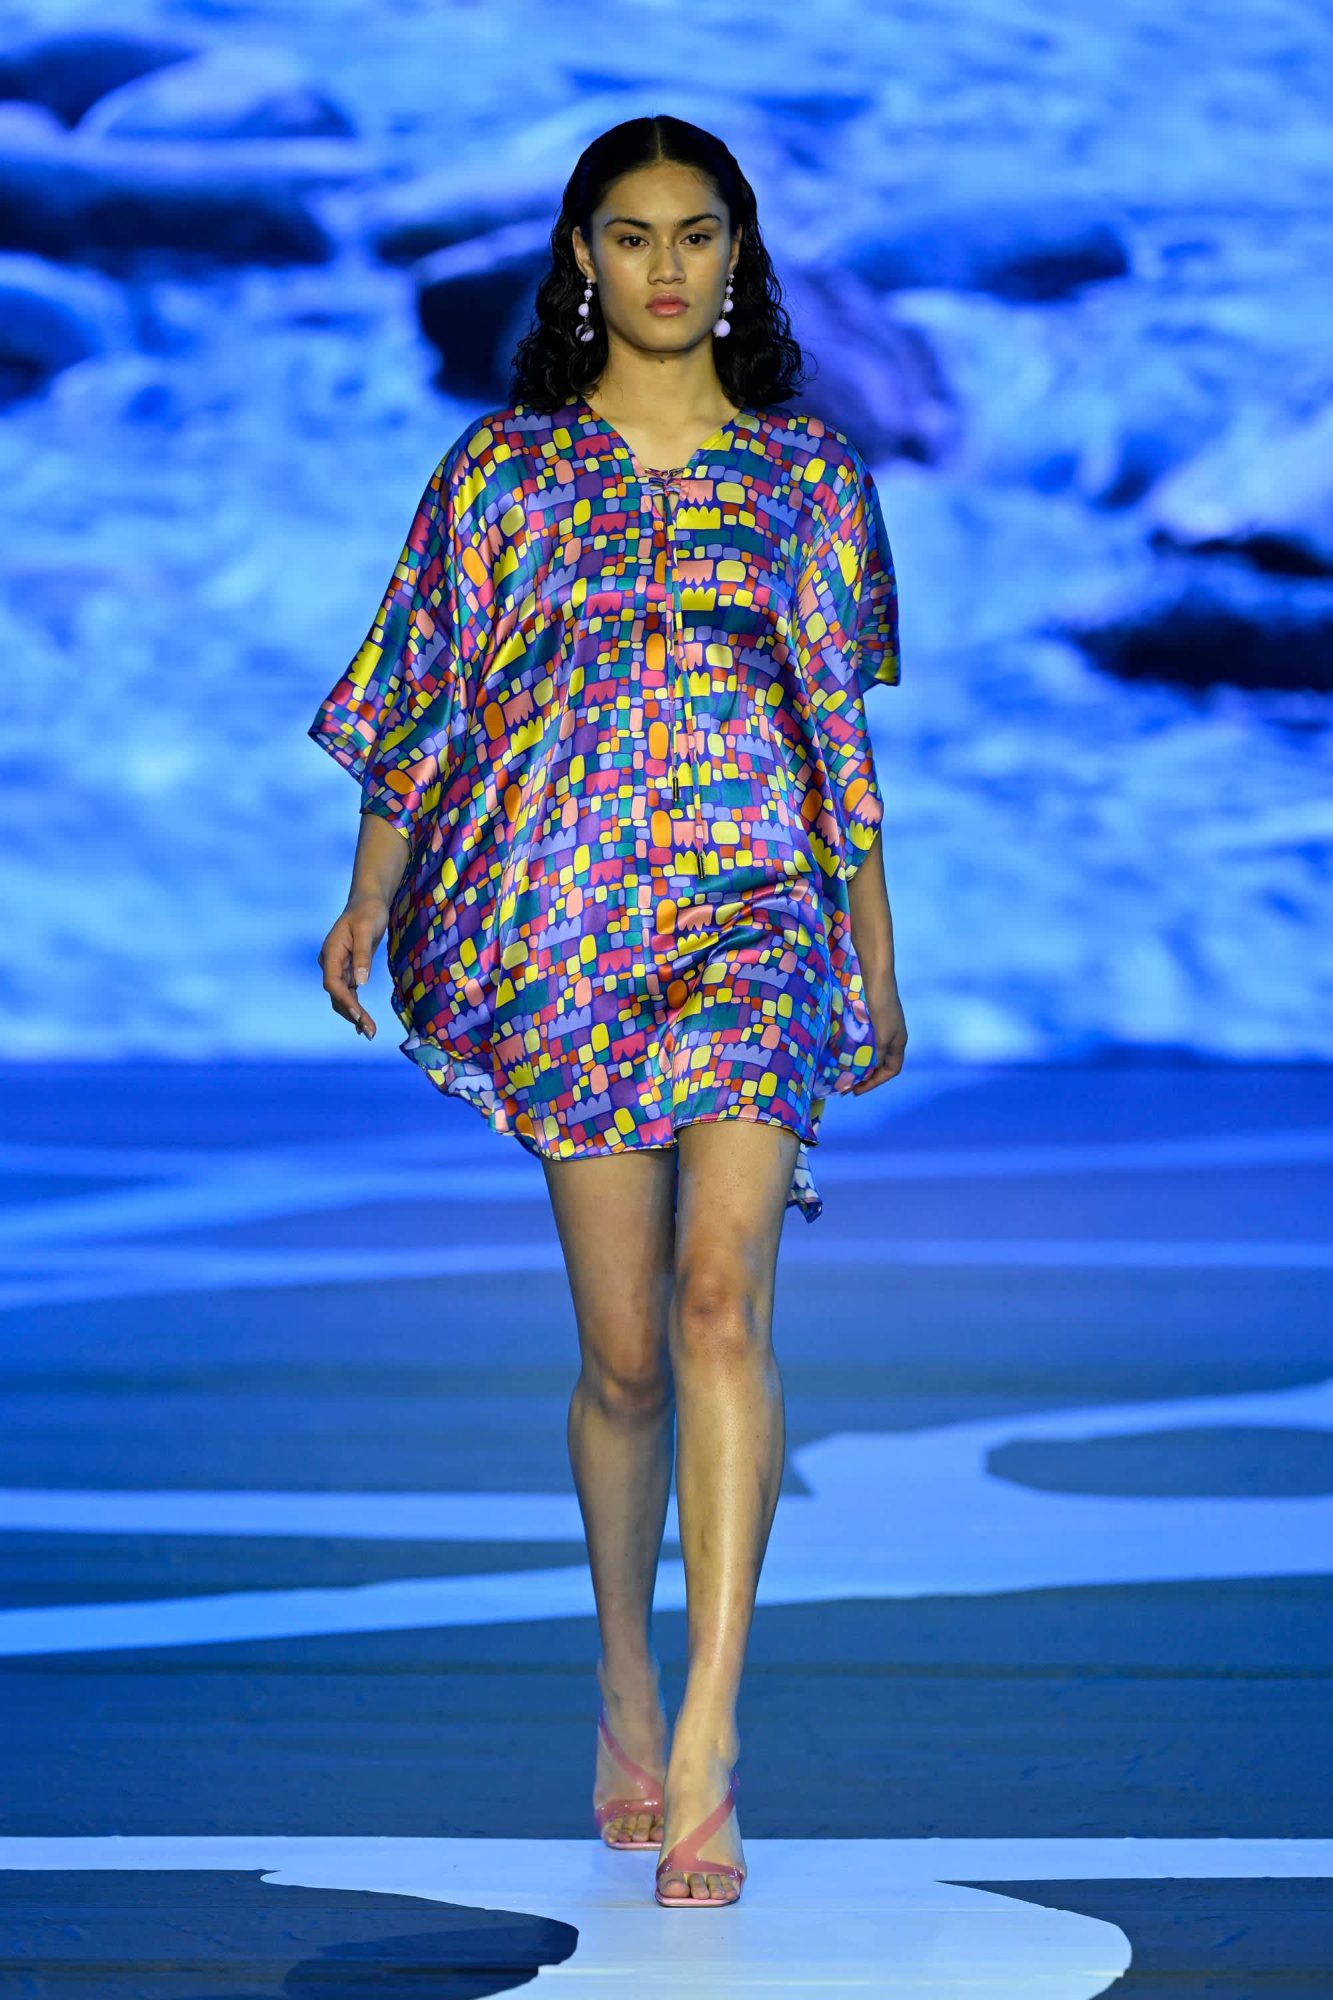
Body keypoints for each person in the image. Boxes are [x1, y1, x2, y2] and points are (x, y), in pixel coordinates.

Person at [311, 113, 907, 1909]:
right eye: (632, 235)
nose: (666, 267)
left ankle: (709, 1737)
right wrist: (370, 893)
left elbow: (836, 730)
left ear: (738, 255)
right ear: (581, 255)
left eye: (696, 234)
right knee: (628, 1352)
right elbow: (422, 694)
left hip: (756, 921)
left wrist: (872, 951)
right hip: (559, 922)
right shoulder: (498, 473)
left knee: (723, 1305)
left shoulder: (808, 478)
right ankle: (626, 1684)